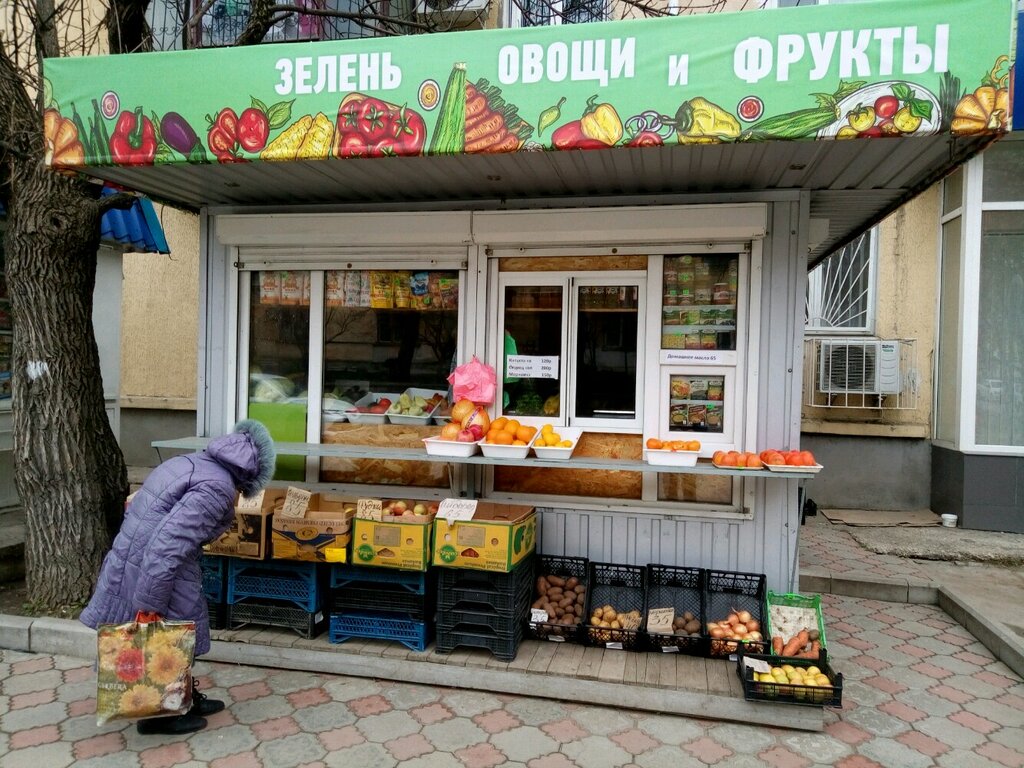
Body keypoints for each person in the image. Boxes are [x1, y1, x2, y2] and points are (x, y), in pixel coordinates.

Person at [81, 419, 276, 735]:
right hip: (158, 570)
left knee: (175, 635)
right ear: (250, 474)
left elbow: (137, 509)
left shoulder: (190, 462)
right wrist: (149, 601)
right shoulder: (216, 488)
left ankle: (183, 698)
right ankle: (160, 714)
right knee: (168, 638)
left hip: (136, 560)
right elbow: (168, 544)